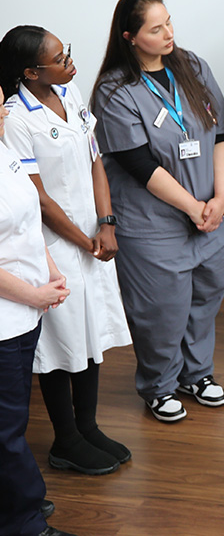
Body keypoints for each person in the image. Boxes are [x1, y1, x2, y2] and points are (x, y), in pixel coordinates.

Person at [92, 0, 224, 423]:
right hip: (154, 222)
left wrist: (222, 196)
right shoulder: (115, 91)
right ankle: (159, 385)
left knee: (205, 298)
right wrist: (193, 207)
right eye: (156, 29)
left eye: (169, 22)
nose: (169, 33)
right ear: (130, 36)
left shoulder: (191, 66)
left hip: (211, 212)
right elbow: (138, 163)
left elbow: (222, 135)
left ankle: (197, 374)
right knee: (161, 309)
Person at [1, 27, 132, 476]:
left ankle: (88, 427)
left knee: (90, 333)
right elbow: (37, 197)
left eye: (68, 52)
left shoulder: (70, 90)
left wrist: (107, 222)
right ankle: (66, 439)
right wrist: (86, 240)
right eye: (60, 58)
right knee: (61, 343)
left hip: (94, 238)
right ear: (30, 72)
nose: (70, 61)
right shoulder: (17, 117)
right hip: (54, 246)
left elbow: (95, 158)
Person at [1, 100, 76, 536]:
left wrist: (49, 268)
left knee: (13, 420)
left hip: (27, 312)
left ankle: (16, 499)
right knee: (7, 428)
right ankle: (22, 522)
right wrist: (34, 293)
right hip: (7, 317)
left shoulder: (3, 149)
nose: (3, 115)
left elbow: (28, 221)